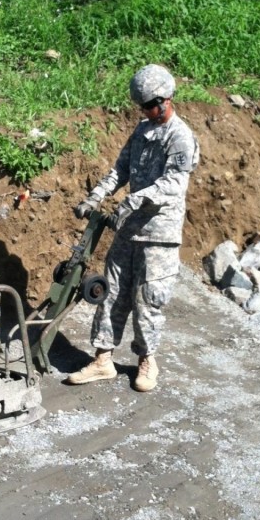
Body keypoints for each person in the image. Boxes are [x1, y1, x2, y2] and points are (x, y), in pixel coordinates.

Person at [67, 64, 199, 392]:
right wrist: (95, 197)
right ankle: (102, 359)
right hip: (129, 229)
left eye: (152, 105)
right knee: (111, 291)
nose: (148, 111)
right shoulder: (141, 131)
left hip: (159, 234)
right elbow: (120, 170)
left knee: (148, 299)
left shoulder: (180, 136)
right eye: (143, 107)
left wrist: (133, 201)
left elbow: (173, 185)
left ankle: (147, 361)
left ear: (167, 99)